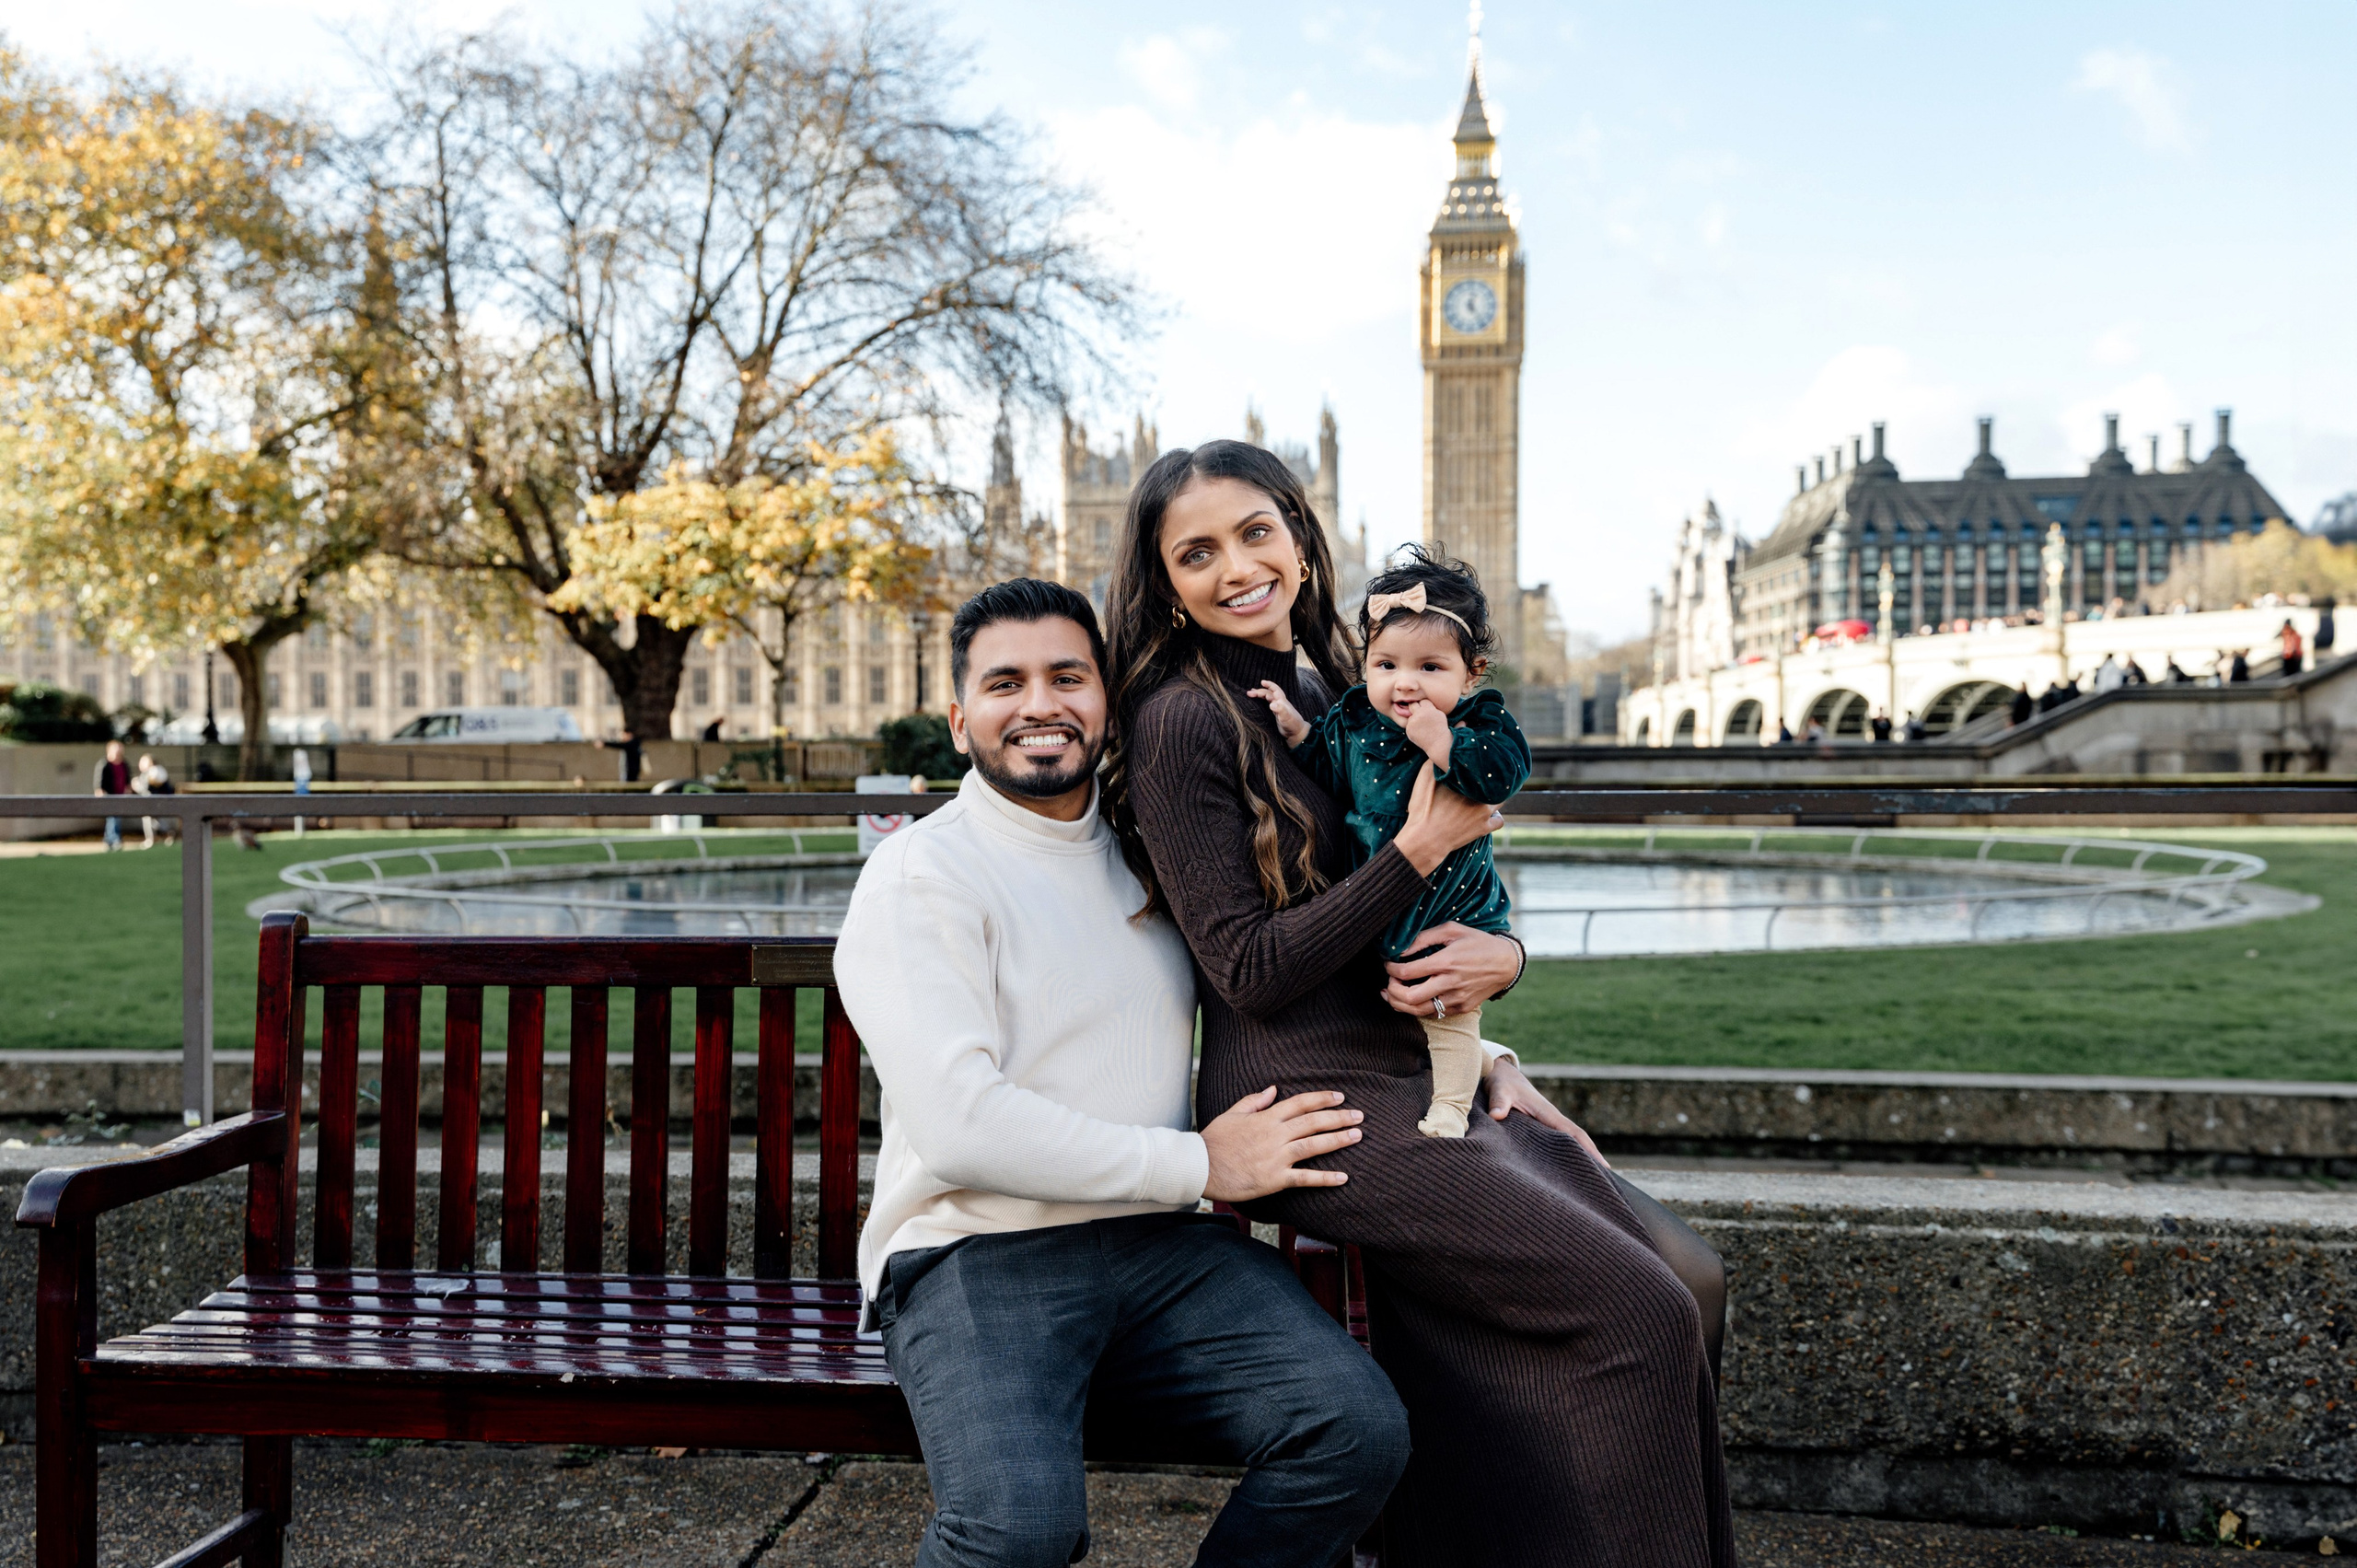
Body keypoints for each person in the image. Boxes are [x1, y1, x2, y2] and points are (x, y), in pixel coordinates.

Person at [1104, 440, 1734, 1568]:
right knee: (1639, 1312)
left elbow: (1447, 883)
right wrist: (1411, 848)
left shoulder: (1335, 676)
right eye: (1195, 551)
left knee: (1689, 1273)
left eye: (1256, 530)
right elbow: (1246, 964)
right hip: (1314, 1098)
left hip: (1415, 1067)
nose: (1237, 565)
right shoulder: (1178, 718)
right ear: (1164, 580)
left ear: (1301, 530)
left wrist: (1500, 968)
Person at [834, 578, 1409, 1568]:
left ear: (1107, 700)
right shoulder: (922, 872)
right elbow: (962, 1121)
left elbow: (1297, 967)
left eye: (1068, 675)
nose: (1040, 704)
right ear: (959, 715)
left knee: (1356, 1431)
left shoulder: (1149, 854)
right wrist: (1198, 1165)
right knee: (1016, 1533)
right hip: (975, 1252)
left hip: (1158, 1251)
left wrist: (1482, 1052)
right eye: (1004, 682)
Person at [1249, 546, 1529, 1139]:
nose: (1405, 684)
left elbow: (1502, 775)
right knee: (1393, 1011)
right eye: (1386, 666)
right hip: (1373, 902)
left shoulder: (1478, 724)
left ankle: (1452, 1106)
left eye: (1430, 668)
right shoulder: (1355, 720)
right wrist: (1296, 727)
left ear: (1471, 673)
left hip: (1449, 909)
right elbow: (1326, 770)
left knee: (1448, 1012)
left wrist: (1443, 745)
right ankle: (1463, 1068)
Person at [91, 739, 132, 851]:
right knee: (113, 817)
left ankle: (109, 840)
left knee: (115, 817)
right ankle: (114, 839)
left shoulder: (124, 764)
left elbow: (127, 780)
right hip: (109, 795)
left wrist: (127, 791)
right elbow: (99, 781)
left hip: (120, 796)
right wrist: (99, 791)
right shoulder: (104, 764)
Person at [134, 754, 176, 848]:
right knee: (153, 820)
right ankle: (167, 834)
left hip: (157, 801)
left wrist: (137, 785)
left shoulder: (155, 771)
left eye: (144, 762)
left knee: (151, 818)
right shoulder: (146, 774)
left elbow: (149, 788)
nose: (141, 764)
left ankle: (152, 839)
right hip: (152, 801)